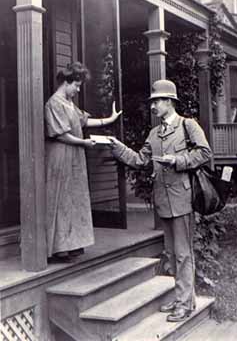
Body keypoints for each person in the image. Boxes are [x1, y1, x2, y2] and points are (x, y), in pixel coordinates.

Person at [108, 79, 212, 322]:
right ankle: (183, 298)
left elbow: (205, 153)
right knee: (171, 252)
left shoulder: (188, 125)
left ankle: (185, 304)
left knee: (183, 254)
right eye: (152, 101)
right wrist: (118, 148)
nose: (153, 105)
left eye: (157, 101)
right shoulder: (154, 133)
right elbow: (141, 160)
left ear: (169, 102)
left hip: (183, 199)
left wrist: (178, 160)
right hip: (164, 202)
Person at [45, 62, 122, 262]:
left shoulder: (69, 103)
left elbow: (84, 121)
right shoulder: (54, 103)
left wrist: (109, 120)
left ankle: (72, 244)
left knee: (74, 197)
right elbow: (61, 135)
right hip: (61, 155)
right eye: (77, 85)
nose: (78, 90)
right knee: (62, 199)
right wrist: (84, 143)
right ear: (66, 82)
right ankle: (58, 248)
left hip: (75, 155)